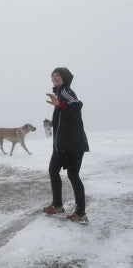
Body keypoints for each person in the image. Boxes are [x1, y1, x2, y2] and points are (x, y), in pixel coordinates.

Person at [43, 67, 89, 222]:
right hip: (63, 144)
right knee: (53, 170)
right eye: (52, 76)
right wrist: (53, 122)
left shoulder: (65, 91)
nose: (54, 78)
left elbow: (76, 106)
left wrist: (59, 105)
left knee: (73, 175)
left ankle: (80, 213)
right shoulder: (60, 93)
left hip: (72, 144)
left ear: (64, 78)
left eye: (58, 75)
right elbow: (68, 118)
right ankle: (57, 205)